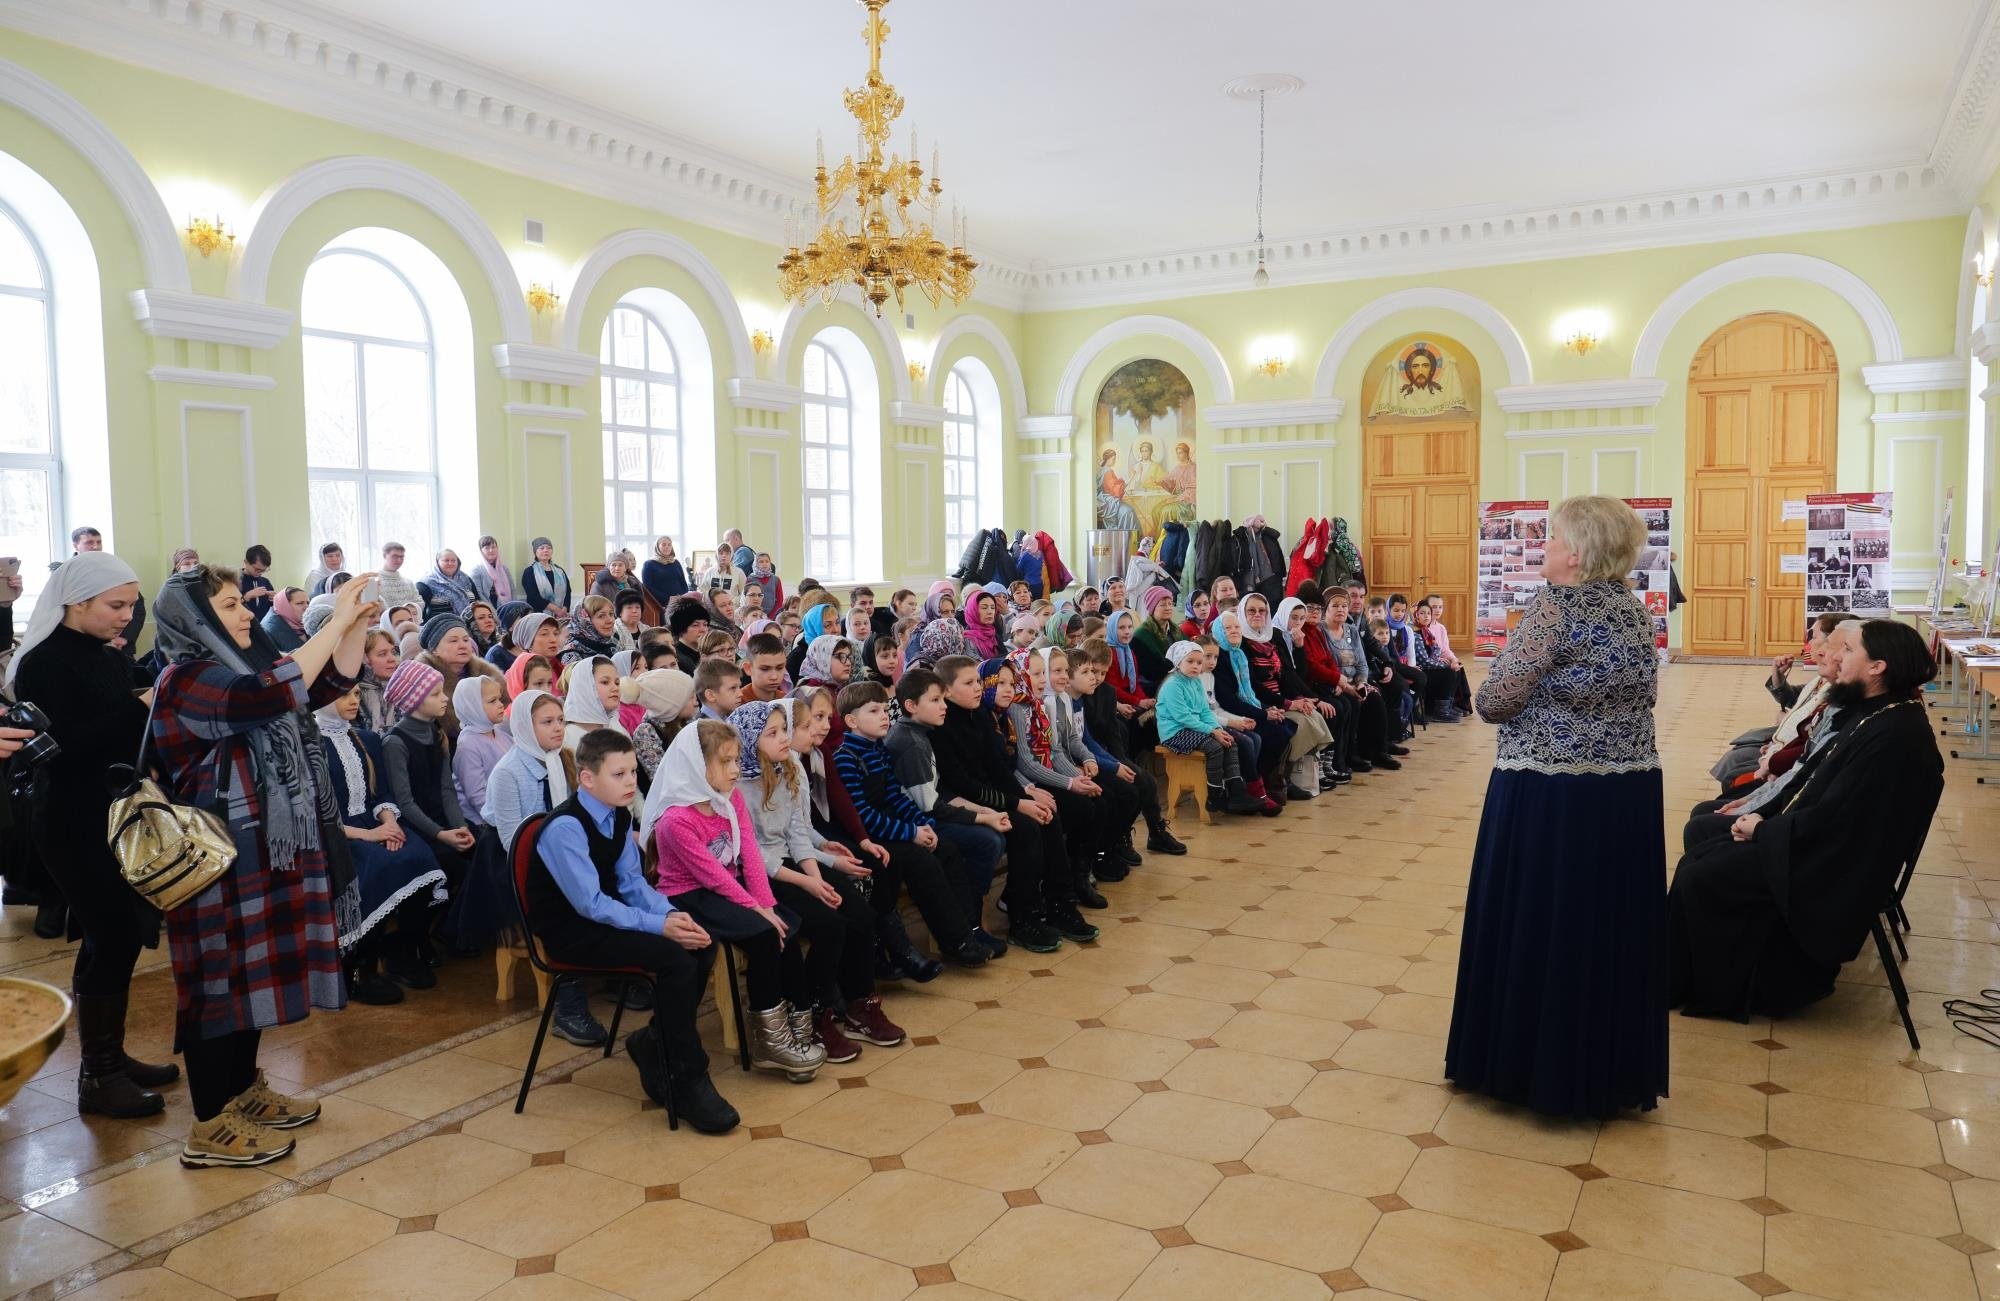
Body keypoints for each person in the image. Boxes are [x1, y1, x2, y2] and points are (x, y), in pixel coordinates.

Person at [149, 563, 382, 1166]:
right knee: (217, 982)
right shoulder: (187, 678)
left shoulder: (245, 665)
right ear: (194, 619)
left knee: (251, 976)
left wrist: (354, 623)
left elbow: (325, 684)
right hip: (215, 858)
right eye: (229, 606)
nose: (246, 615)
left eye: (241, 603)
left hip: (259, 850)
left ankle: (240, 1092)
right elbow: (273, 692)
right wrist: (331, 625)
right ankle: (209, 1125)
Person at [1445, 495, 1667, 1119]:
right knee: (1603, 921)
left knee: (1544, 916)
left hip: (1551, 789)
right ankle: (1604, 1072)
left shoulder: (1554, 607)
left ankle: (1530, 1068)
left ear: (1576, 553)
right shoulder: (1632, 608)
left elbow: (1493, 700)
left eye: (1552, 538)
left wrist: (1537, 690)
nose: (1544, 547)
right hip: (1625, 789)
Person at [1671, 619, 1944, 1020]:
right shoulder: (1878, 713)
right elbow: (1816, 786)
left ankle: (1734, 985)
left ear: (1877, 667)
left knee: (1703, 873)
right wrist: (1763, 817)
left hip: (1832, 869)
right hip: (1818, 846)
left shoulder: (1894, 735)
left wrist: (1763, 830)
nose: (1836, 656)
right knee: (1704, 854)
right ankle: (1686, 974)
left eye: (1848, 650)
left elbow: (1841, 821)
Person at [9, 552, 171, 1118]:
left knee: (116, 937)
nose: (128, 616)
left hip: (114, 814)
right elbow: (65, 749)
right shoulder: (43, 664)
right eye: (116, 605)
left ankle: (108, 1058)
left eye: (131, 605)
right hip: (72, 819)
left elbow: (124, 737)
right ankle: (99, 1076)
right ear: (77, 602)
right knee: (112, 931)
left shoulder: (107, 656)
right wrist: (139, 706)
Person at [528, 728, 738, 1131]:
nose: (630, 782)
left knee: (700, 942)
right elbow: (590, 904)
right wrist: (660, 927)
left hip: (608, 918)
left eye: (632, 772)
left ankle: (655, 1041)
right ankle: (687, 1076)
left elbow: (632, 884)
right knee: (676, 959)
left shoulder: (619, 815)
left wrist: (672, 915)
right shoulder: (564, 827)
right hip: (572, 932)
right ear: (587, 779)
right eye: (619, 774)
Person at [652, 721, 828, 1081]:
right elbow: (710, 876)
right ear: (696, 765)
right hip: (688, 895)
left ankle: (797, 1024)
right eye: (725, 762)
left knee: (787, 926)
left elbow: (748, 853)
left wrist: (767, 905)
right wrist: (758, 911)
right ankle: (769, 1042)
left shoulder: (729, 798)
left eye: (735, 759)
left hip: (728, 886)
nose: (735, 769)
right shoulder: (674, 820)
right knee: (765, 934)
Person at [732, 701, 904, 1061]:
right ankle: (814, 1012)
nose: (784, 738)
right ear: (749, 740)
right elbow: (752, 855)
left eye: (784, 730)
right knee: (829, 925)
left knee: (860, 914)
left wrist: (818, 879)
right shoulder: (738, 785)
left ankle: (859, 1005)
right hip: (757, 875)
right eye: (772, 733)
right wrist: (810, 883)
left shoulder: (788, 766)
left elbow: (797, 833)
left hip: (791, 862)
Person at [315, 686, 448, 1004]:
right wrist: (371, 836)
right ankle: (359, 968)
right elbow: (315, 814)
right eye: (343, 695)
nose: (353, 700)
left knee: (420, 856)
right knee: (376, 866)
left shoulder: (366, 738)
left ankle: (402, 951)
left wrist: (389, 823)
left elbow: (381, 794)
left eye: (356, 694)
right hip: (335, 835)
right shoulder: (310, 746)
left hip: (373, 824)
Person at [418, 549, 479, 621]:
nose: (450, 563)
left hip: (471, 624)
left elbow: (478, 602)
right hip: (441, 625)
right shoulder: (426, 582)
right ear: (437, 562)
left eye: (453, 560)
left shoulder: (466, 579)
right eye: (446, 560)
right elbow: (419, 611)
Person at [521, 538, 571, 617]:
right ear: (535, 552)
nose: (546, 550)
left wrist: (564, 609)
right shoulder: (529, 572)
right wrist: (556, 609)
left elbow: (568, 592)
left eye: (549, 548)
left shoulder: (560, 571)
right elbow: (533, 597)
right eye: (542, 548)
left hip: (561, 616)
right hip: (539, 616)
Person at [642, 536, 692, 607]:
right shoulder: (649, 564)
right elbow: (647, 586)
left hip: (679, 603)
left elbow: (683, 583)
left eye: (669, 545)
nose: (667, 547)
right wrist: (667, 599)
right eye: (664, 544)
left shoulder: (676, 562)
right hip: (660, 604)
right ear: (658, 547)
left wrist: (680, 597)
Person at [259, 587, 308, 654]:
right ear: (284, 606)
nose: (306, 607)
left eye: (307, 603)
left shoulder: (302, 623)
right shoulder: (269, 630)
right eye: (299, 603)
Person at [469, 535, 514, 606]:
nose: (491, 550)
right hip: (487, 609)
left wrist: (514, 607)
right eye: (487, 548)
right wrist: (490, 610)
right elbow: (478, 594)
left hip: (508, 607)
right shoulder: (476, 570)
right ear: (481, 551)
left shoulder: (504, 569)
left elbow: (512, 590)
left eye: (493, 547)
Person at [375, 543, 418, 611]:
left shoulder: (409, 582)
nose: (399, 560)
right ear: (384, 556)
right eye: (395, 556)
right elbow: (371, 608)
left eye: (402, 557)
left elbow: (419, 602)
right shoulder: (373, 582)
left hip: (409, 617)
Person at [238, 545, 275, 616]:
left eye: (263, 570)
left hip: (263, 623)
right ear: (246, 562)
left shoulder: (266, 582)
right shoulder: (234, 581)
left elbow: (272, 609)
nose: (260, 573)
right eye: (257, 569)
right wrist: (246, 597)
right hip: (243, 621)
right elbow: (228, 608)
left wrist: (275, 600)